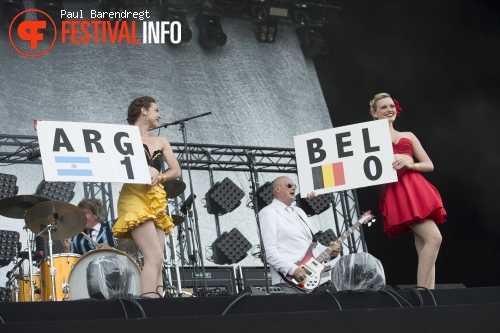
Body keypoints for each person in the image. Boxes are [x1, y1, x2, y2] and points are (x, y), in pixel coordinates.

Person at [370, 92, 446, 289]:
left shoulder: (408, 135)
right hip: (397, 191)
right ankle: (423, 291)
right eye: (384, 107)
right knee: (434, 238)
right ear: (374, 113)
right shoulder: (370, 139)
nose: (389, 110)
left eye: (391, 106)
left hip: (416, 188)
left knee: (425, 243)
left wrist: (409, 163)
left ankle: (429, 294)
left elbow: (429, 165)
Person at [112, 96, 181, 298]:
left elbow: (176, 171)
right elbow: (87, 144)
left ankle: (158, 305)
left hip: (156, 198)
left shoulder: (161, 141)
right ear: (144, 111)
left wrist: (160, 176)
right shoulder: (122, 136)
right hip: (134, 196)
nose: (160, 115)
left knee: (158, 260)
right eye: (156, 110)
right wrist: (47, 133)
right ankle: (149, 308)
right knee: (154, 257)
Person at [260, 176, 342, 294]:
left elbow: (312, 245)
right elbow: (269, 251)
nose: (293, 187)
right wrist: (292, 269)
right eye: (289, 185)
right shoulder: (268, 213)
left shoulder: (299, 212)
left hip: (314, 275)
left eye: (294, 186)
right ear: (277, 189)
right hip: (291, 279)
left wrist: (329, 252)